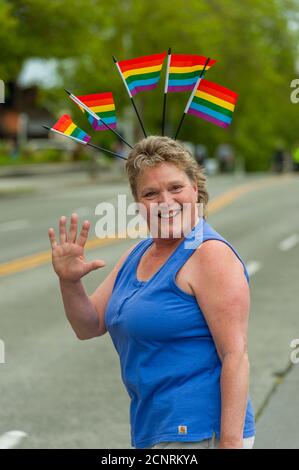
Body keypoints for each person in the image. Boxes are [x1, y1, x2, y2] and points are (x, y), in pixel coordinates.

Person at [48, 135, 255, 449]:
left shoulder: (209, 255)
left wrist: (230, 444)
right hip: (155, 429)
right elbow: (88, 326)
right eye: (151, 193)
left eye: (175, 188)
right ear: (138, 203)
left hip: (200, 432)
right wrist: (69, 282)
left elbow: (235, 356)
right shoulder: (140, 253)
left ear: (195, 189)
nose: (166, 202)